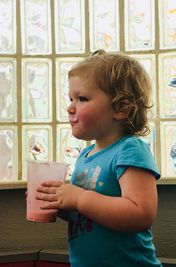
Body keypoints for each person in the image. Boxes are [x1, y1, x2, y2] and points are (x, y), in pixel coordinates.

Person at [36, 50, 163, 267]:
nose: (70, 107)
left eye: (82, 98)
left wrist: (79, 199)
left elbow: (141, 214)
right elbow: (91, 217)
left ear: (121, 108)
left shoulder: (130, 149)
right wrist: (63, 205)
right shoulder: (86, 156)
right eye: (71, 98)